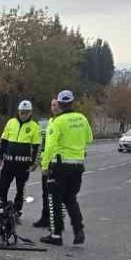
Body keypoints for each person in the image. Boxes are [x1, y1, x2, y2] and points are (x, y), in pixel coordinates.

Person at [39, 90, 94, 246]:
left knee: (55, 200)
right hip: (77, 166)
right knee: (71, 199)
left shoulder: (58, 122)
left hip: (60, 166)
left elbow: (49, 146)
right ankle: (79, 230)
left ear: (60, 104)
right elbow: (89, 138)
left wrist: (44, 165)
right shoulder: (82, 118)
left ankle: (56, 235)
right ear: (72, 102)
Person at [0, 100, 42, 219]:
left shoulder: (34, 126)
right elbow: (3, 141)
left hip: (23, 165)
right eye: (22, 112)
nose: (24, 115)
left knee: (20, 189)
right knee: (3, 187)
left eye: (26, 113)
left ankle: (17, 210)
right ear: (18, 112)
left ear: (30, 113)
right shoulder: (11, 123)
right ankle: (2, 208)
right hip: (9, 163)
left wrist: (34, 163)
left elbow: (37, 147)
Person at [32, 98, 60, 229]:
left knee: (56, 193)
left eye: (56, 105)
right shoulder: (50, 122)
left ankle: (55, 222)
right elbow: (45, 144)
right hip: (47, 162)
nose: (54, 107)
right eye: (52, 105)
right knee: (45, 192)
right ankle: (45, 218)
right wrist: (41, 162)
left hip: (58, 163)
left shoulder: (62, 122)